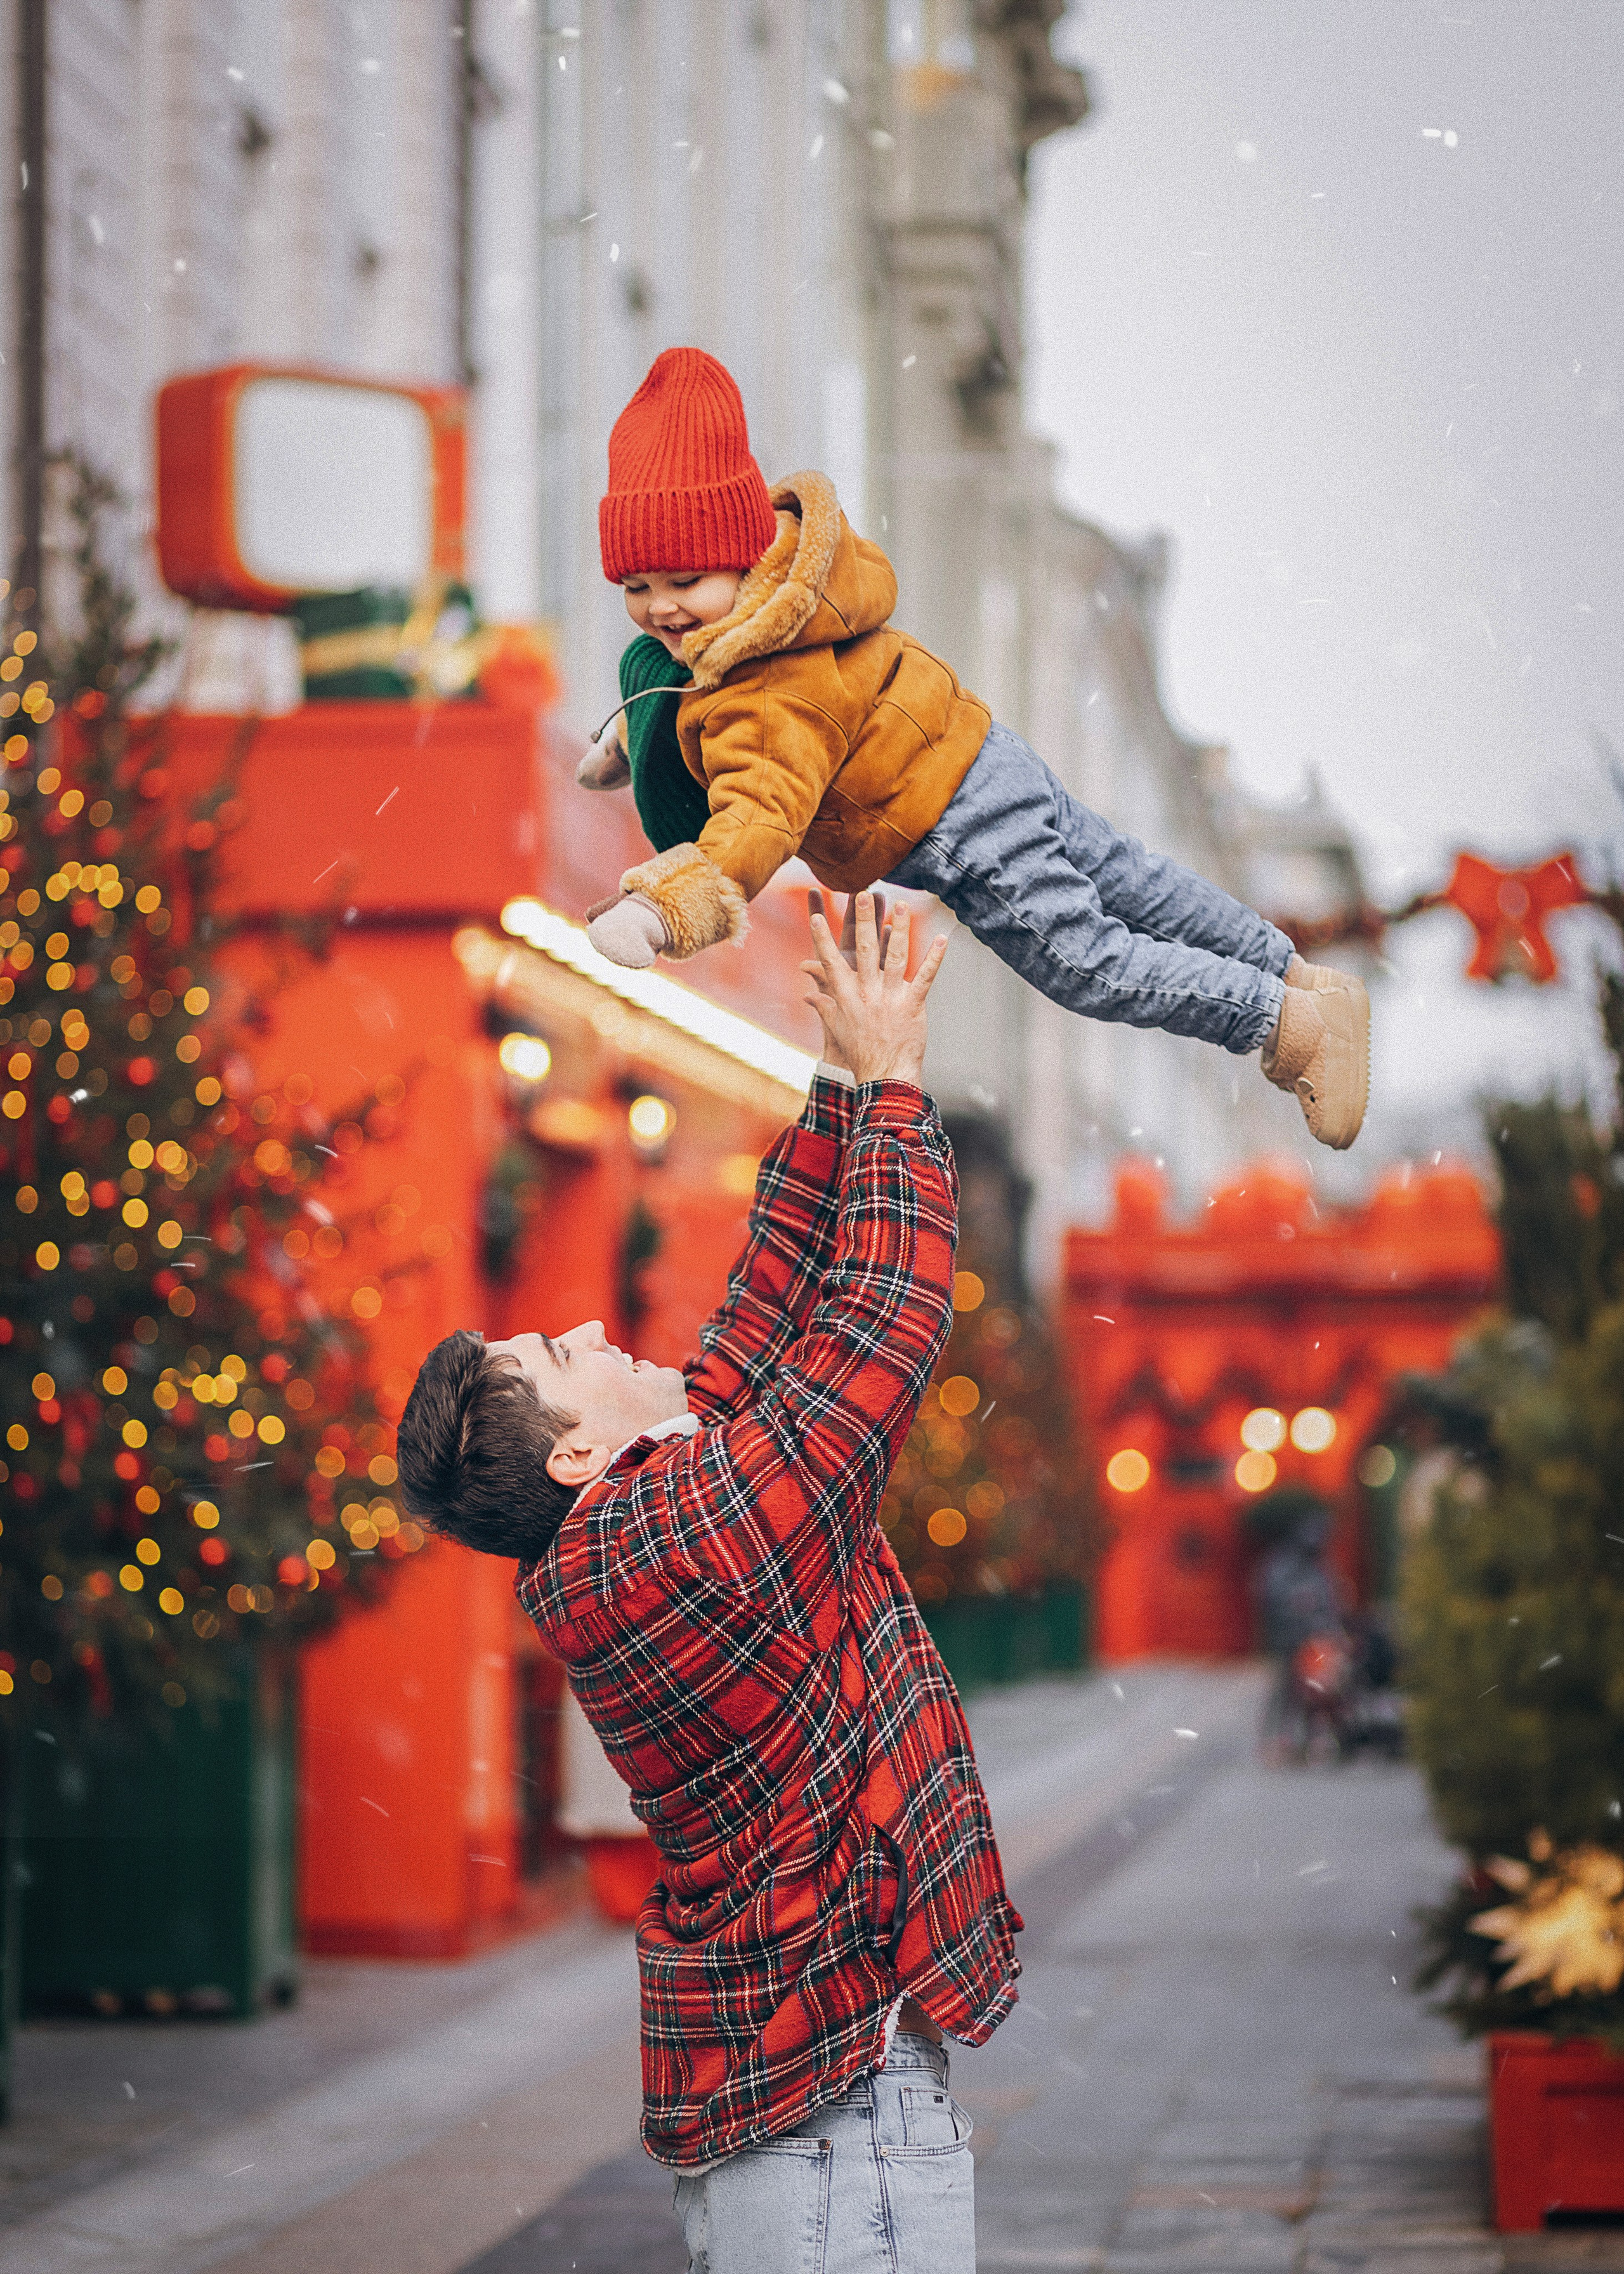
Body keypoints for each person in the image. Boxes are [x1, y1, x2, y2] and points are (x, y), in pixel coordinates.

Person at [396, 896, 1018, 2274]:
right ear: (577, 1450)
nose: (586, 1322)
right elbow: (878, 1328)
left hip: (792, 2096)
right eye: (562, 1353)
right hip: (832, 2114)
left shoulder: (635, 1534)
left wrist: (840, 1084)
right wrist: (896, 1090)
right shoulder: (683, 1537)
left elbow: (752, 1333)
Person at [580, 346, 1369, 1150]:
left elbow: (754, 820)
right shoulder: (792, 596)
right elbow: (690, 694)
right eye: (637, 587)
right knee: (1129, 879)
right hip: (984, 756)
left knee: (1085, 961)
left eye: (683, 581)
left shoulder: (764, 691)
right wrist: (630, 741)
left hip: (952, 822)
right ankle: (1295, 974)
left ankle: (1287, 1024)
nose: (660, 609)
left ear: (740, 555)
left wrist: (660, 910)